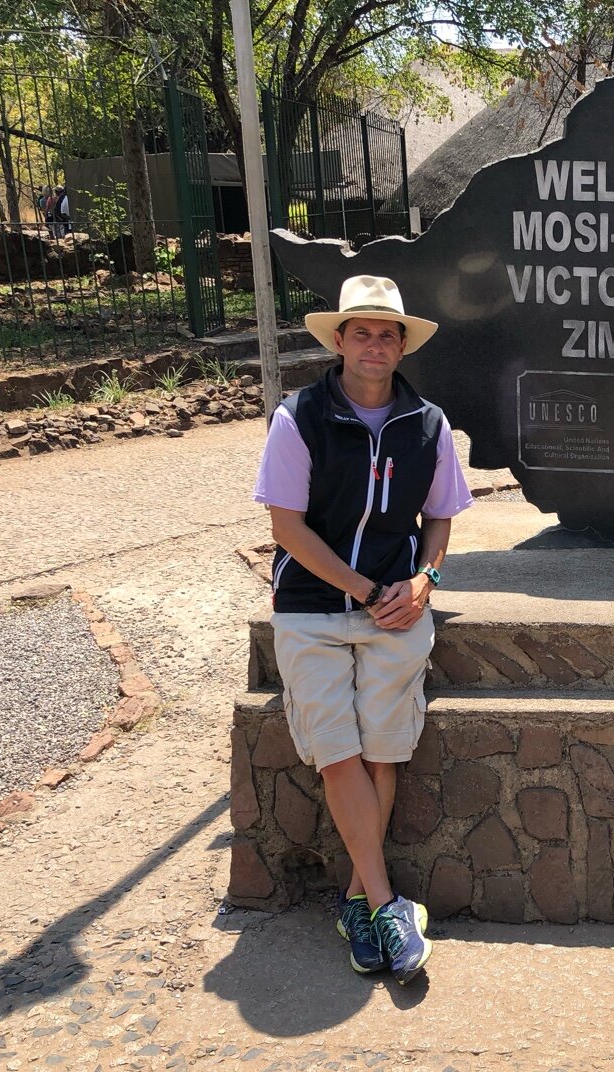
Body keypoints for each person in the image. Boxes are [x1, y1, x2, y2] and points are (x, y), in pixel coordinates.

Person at [252, 273, 473, 982]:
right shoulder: (299, 418)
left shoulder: (429, 425)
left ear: (401, 345)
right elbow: (286, 527)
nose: (375, 344)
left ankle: (354, 900)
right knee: (339, 753)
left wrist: (425, 580)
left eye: (388, 333)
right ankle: (386, 902)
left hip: (397, 609)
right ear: (339, 340)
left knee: (383, 750)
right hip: (314, 610)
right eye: (362, 332)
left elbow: (439, 515)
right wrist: (365, 589)